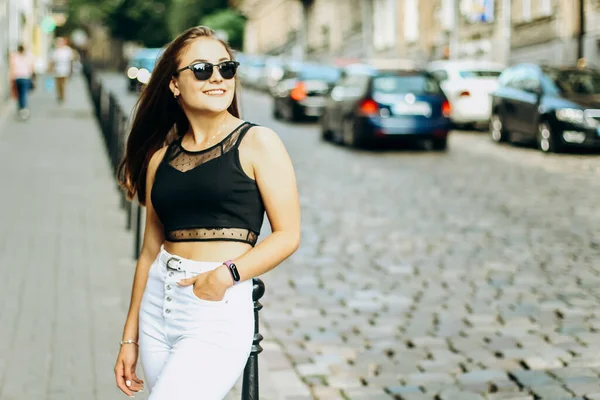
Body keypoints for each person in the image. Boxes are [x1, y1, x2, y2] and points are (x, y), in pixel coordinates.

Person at [114, 26, 300, 399]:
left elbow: (288, 235)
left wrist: (226, 275)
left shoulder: (258, 143)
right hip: (157, 305)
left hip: (214, 307)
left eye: (226, 68)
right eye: (201, 69)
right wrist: (129, 337)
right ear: (174, 85)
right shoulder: (159, 160)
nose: (217, 77)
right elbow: (149, 252)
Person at [9, 44, 36, 120]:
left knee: (20, 94)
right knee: (23, 93)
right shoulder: (28, 56)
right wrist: (33, 77)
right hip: (25, 77)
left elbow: (12, 68)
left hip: (17, 77)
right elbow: (32, 67)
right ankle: (23, 108)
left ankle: (21, 108)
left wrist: (11, 78)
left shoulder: (14, 56)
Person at [49, 37, 74, 103]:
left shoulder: (68, 50)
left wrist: (71, 70)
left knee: (63, 83)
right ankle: (59, 95)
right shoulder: (56, 50)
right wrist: (51, 68)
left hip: (65, 69)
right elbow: (53, 60)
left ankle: (63, 96)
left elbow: (71, 60)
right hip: (57, 69)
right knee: (58, 84)